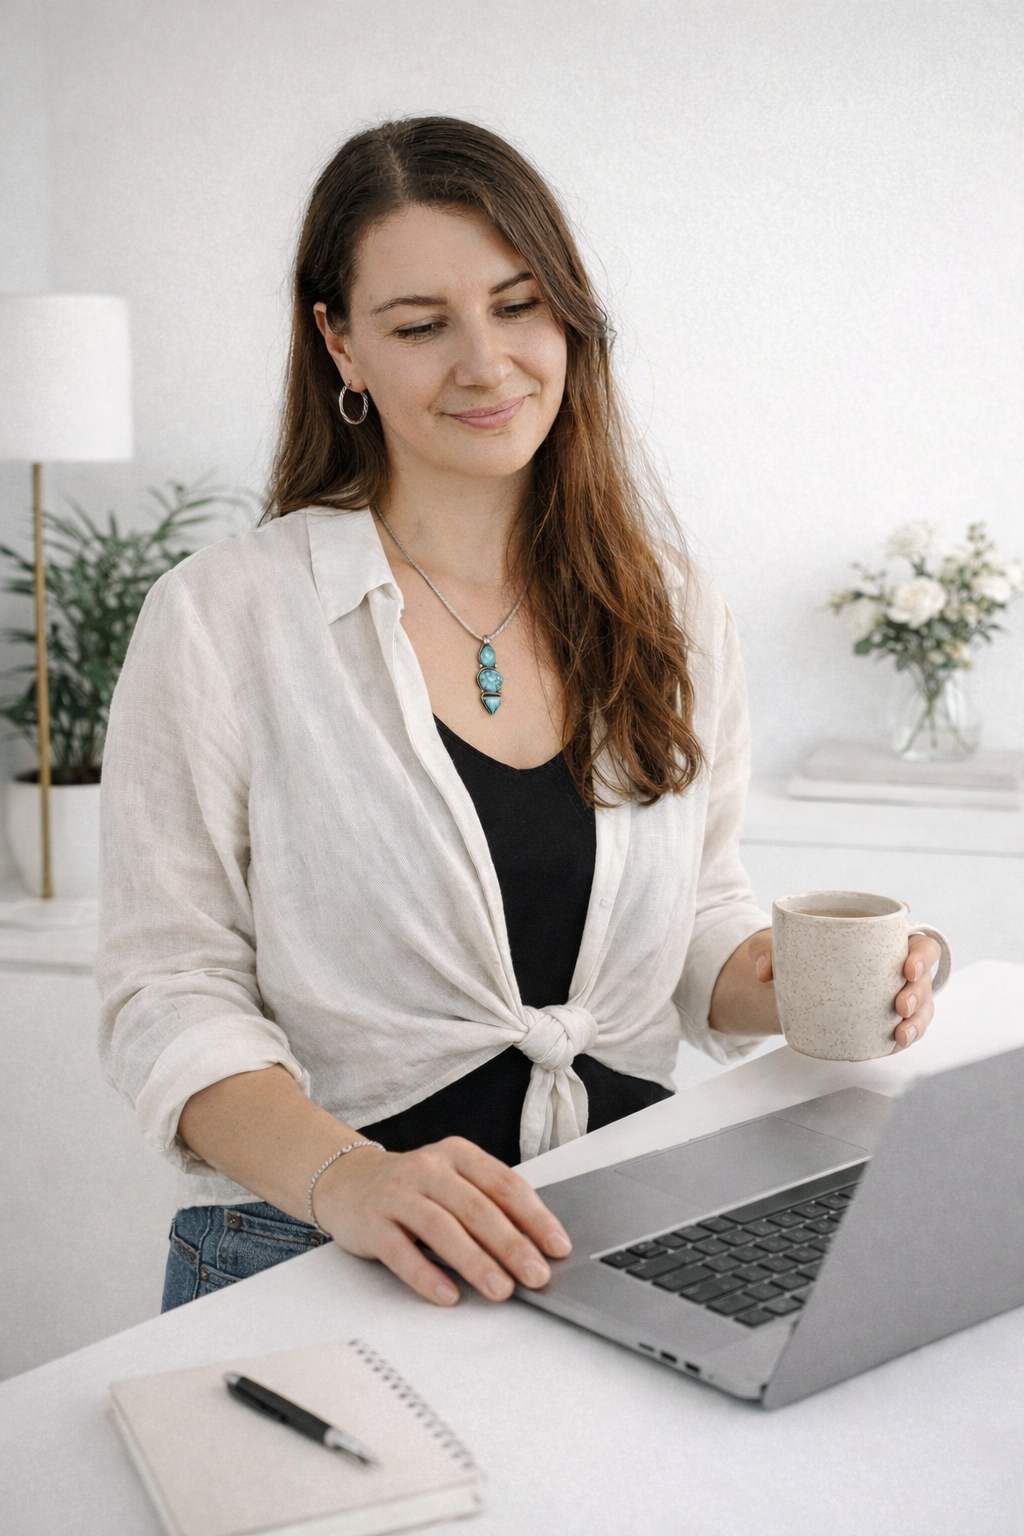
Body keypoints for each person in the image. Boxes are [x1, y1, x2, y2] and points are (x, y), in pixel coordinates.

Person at [98, 117, 940, 1314]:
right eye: (419, 325)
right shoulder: (222, 617)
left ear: (569, 319)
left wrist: (825, 981)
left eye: (518, 304)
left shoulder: (672, 605)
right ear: (339, 344)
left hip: (627, 1227)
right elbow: (167, 995)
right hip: (312, 1260)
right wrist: (350, 1178)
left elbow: (698, 920)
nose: (485, 364)